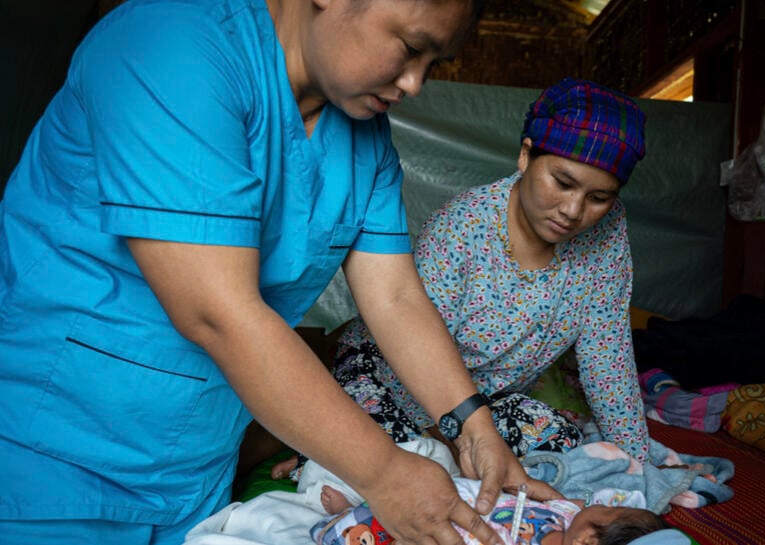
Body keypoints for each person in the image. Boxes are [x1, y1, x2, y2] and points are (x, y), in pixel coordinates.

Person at [0, 0, 558, 544]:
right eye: (411, 47)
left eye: (434, 64)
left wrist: (476, 431)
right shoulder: (169, 43)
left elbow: (394, 299)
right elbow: (217, 312)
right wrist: (385, 474)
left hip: (194, 469)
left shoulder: (367, 141)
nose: (415, 83)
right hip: (53, 455)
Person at [274, 77, 652, 483]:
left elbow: (607, 355)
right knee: (410, 461)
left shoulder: (607, 233)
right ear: (526, 156)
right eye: (562, 182)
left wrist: (638, 464)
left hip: (488, 405)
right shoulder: (464, 228)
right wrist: (457, 444)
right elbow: (412, 350)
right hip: (393, 382)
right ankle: (320, 456)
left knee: (564, 441)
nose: (573, 210)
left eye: (599, 198)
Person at [309, 476, 672, 545]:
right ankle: (356, 504)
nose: (597, 505)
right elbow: (564, 501)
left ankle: (343, 519)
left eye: (602, 511)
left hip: (439, 538)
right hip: (451, 506)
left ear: (587, 540)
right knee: (405, 498)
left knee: (369, 533)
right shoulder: (564, 516)